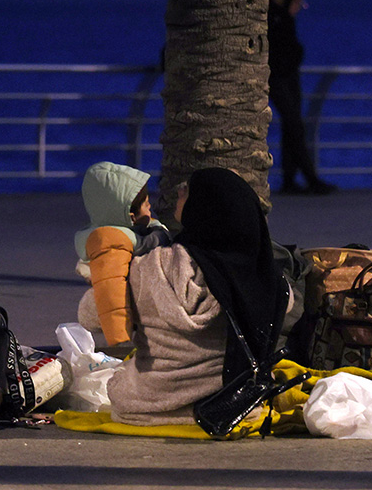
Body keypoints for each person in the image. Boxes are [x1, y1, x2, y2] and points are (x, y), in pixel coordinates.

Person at [107, 168, 290, 425]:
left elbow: (91, 316)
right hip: (234, 405)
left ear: (204, 207)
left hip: (147, 404)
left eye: (187, 191)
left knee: (119, 378)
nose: (179, 193)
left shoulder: (152, 266)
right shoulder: (266, 278)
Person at [74, 161, 170, 345]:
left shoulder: (134, 234)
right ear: (130, 216)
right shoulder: (111, 242)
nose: (151, 208)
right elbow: (112, 295)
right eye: (146, 204)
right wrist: (121, 342)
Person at [268, 0, 335, 195]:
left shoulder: (286, 12)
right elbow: (277, 41)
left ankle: (289, 179)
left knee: (292, 125)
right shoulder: (268, 8)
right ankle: (310, 177)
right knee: (294, 123)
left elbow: (289, 41)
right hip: (275, 75)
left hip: (290, 75)